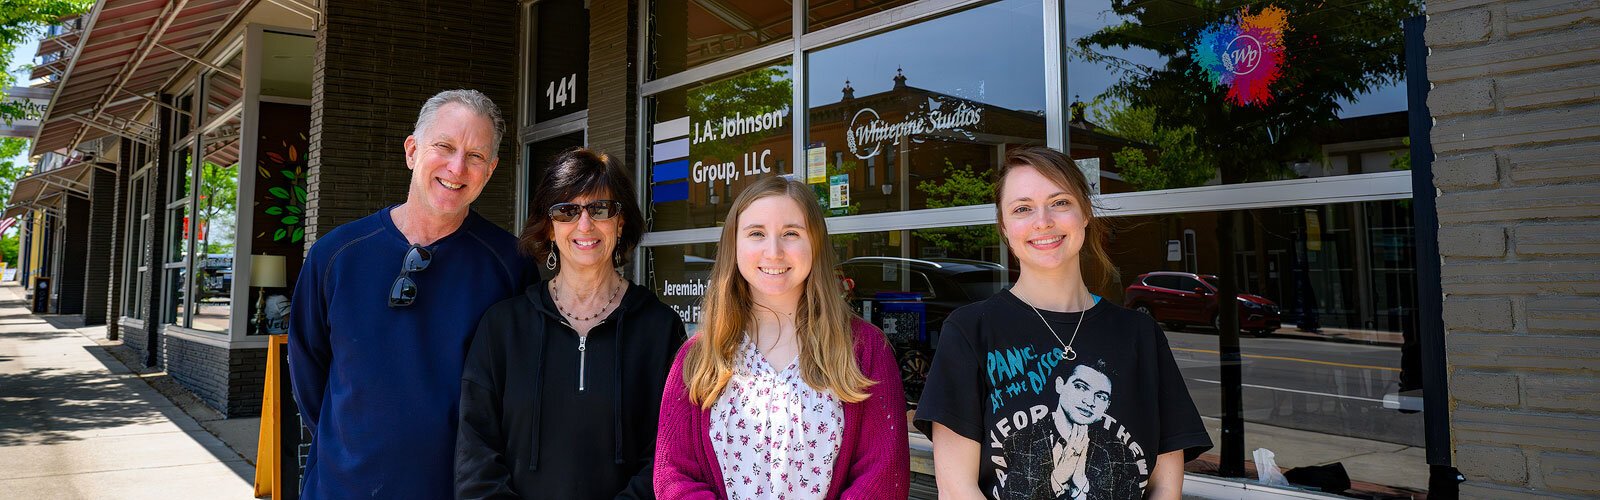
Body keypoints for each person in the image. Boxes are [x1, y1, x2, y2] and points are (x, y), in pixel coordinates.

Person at [914, 146, 1211, 499]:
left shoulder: (1140, 336)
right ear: (1005, 227)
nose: (1043, 221)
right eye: (1023, 208)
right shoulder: (970, 330)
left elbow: (1165, 486)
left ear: (1085, 213)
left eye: (1060, 202)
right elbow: (957, 488)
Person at [288, 89, 528, 499]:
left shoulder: (510, 264)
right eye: (444, 146)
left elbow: (515, 392)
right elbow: (309, 373)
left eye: (475, 156)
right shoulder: (336, 255)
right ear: (412, 151)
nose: (457, 167)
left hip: (456, 490)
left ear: (490, 170)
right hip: (342, 487)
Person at [654, 176, 910, 499]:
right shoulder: (698, 358)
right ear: (734, 246)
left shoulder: (866, 350)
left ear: (814, 243)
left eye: (791, 233)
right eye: (756, 233)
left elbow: (883, 479)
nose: (773, 252)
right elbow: (673, 477)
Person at [455, 148, 686, 499]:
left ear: (621, 222)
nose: (584, 225)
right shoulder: (502, 328)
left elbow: (667, 456)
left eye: (601, 209)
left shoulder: (660, 328)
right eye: (566, 210)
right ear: (548, 227)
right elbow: (476, 455)